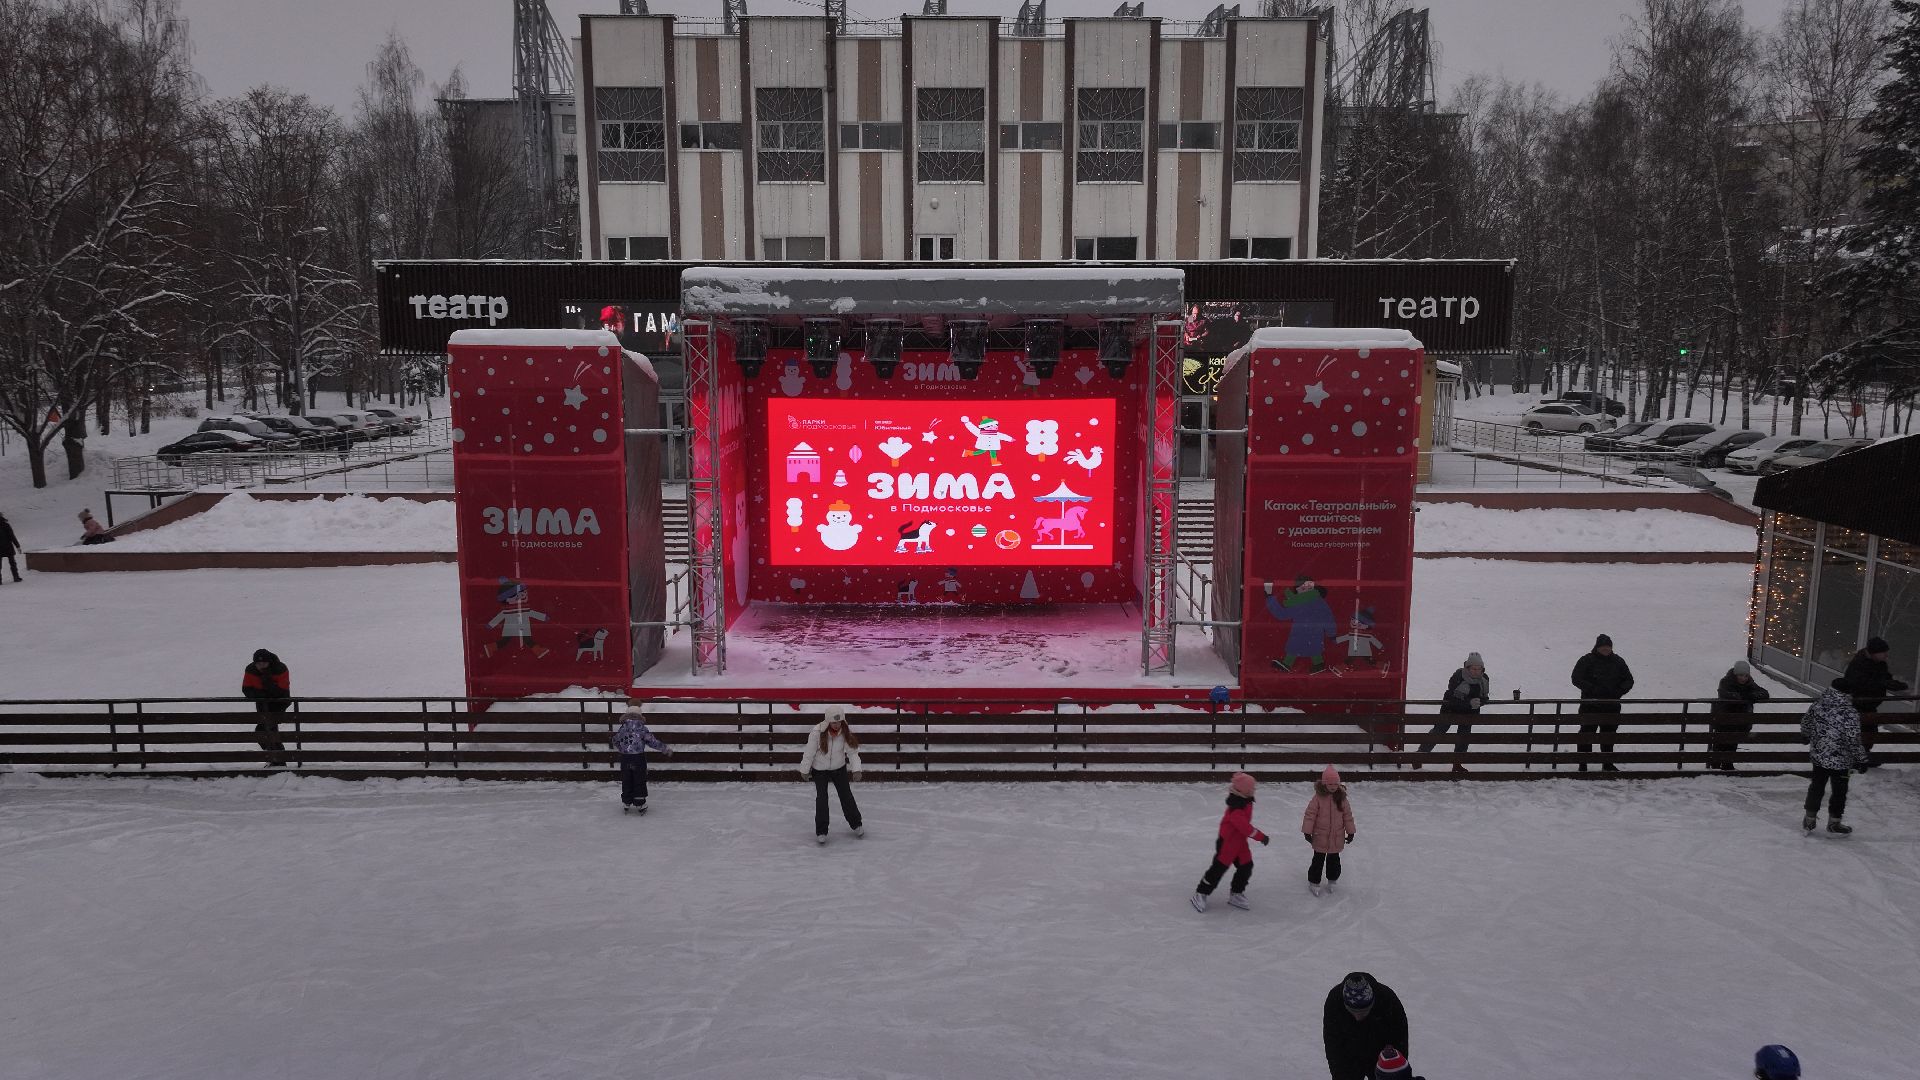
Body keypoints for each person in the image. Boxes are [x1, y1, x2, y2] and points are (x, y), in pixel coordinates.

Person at [1190, 771, 1270, 912]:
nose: (1254, 790)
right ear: (1244, 791)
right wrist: (1261, 836)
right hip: (1227, 843)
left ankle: (1236, 893)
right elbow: (1246, 828)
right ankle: (1201, 893)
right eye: (1252, 788)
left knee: (1246, 866)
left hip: (1240, 843)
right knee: (1218, 870)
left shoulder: (1245, 800)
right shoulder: (1236, 808)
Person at [1801, 678, 1867, 834]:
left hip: (1819, 757)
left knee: (1816, 787)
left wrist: (1805, 735)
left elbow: (1807, 722)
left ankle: (1809, 819)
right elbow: (1853, 739)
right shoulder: (1849, 712)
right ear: (1847, 693)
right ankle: (1835, 821)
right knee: (1839, 791)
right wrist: (1861, 759)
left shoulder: (1818, 705)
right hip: (1841, 761)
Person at [1321, 972, 1408, 1080]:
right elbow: (1333, 1043)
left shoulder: (1388, 1000)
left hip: (1381, 1055)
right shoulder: (1334, 1002)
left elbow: (1400, 1035)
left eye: (1363, 1012)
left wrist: (1395, 1068)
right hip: (1349, 1055)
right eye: (1353, 1012)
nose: (1358, 1017)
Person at [799, 705, 864, 843]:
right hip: (820, 770)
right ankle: (821, 831)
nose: (837, 725)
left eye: (839, 722)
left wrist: (856, 769)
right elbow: (809, 753)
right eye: (834, 722)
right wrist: (805, 770)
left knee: (846, 795)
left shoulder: (845, 731)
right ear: (828, 721)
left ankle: (856, 823)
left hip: (838, 769)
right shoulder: (817, 732)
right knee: (822, 799)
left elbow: (852, 752)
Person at [1842, 637, 1909, 767]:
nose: (1886, 655)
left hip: (1870, 704)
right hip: (1858, 704)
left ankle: (1862, 756)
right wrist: (1883, 684)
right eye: (1883, 652)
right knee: (1860, 732)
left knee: (1870, 732)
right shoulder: (1859, 664)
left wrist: (1892, 684)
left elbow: (1884, 677)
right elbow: (1856, 683)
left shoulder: (1880, 663)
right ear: (1874, 652)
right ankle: (1855, 758)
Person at [1572, 633, 1633, 772]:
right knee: (1586, 734)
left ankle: (1607, 763)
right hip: (1590, 705)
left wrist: (1618, 692)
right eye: (1603, 647)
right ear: (1597, 647)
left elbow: (1629, 680)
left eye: (1608, 647)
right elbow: (1576, 678)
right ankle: (1583, 763)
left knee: (1609, 735)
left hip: (1612, 706)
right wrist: (1592, 689)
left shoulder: (1618, 661)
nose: (1606, 650)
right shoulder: (1586, 660)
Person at [1417, 652, 1487, 772]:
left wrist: (1480, 701)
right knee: (1438, 732)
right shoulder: (1458, 676)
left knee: (1463, 737)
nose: (1476, 671)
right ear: (1467, 667)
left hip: (1468, 713)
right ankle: (1419, 756)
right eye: (1473, 668)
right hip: (1450, 709)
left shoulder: (1484, 679)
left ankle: (1457, 763)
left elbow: (1484, 696)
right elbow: (1452, 697)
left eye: (1479, 669)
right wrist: (1469, 702)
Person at [1302, 765, 1357, 896]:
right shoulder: (1318, 798)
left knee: (1334, 860)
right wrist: (1307, 831)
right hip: (1320, 835)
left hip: (1336, 836)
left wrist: (1350, 832)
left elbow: (1347, 816)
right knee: (1318, 860)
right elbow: (1310, 815)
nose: (1333, 786)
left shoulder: (1342, 798)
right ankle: (1314, 882)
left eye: (1335, 784)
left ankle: (1332, 880)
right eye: (1330, 784)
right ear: (1324, 784)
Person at [1707, 660, 1770, 770]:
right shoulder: (1726, 682)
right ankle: (1716, 764)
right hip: (1725, 720)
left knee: (1732, 743)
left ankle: (1727, 764)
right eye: (1741, 675)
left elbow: (1764, 693)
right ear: (1735, 674)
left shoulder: (1750, 684)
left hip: (1740, 722)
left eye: (1746, 675)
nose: (1743, 678)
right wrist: (1744, 696)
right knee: (1721, 742)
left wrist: (1749, 696)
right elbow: (1725, 694)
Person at [609, 705, 673, 812]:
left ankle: (626, 801)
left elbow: (615, 740)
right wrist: (664, 748)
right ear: (640, 715)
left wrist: (621, 748)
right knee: (639, 779)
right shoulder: (642, 728)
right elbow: (652, 742)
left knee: (627, 779)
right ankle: (639, 803)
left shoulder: (622, 728)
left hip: (625, 759)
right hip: (638, 758)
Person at [240, 648, 291, 768]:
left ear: (269, 662)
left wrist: (267, 683)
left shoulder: (280, 668)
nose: (261, 665)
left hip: (279, 704)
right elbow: (246, 689)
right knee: (267, 731)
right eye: (258, 663)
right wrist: (262, 694)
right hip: (262, 704)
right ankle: (277, 760)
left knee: (264, 730)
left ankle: (278, 760)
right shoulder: (250, 669)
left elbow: (282, 692)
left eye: (264, 663)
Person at [0, 511, 22, 582]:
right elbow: (12, 536)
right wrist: (17, 546)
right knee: (12, 563)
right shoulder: (6, 525)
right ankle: (16, 577)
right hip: (8, 547)